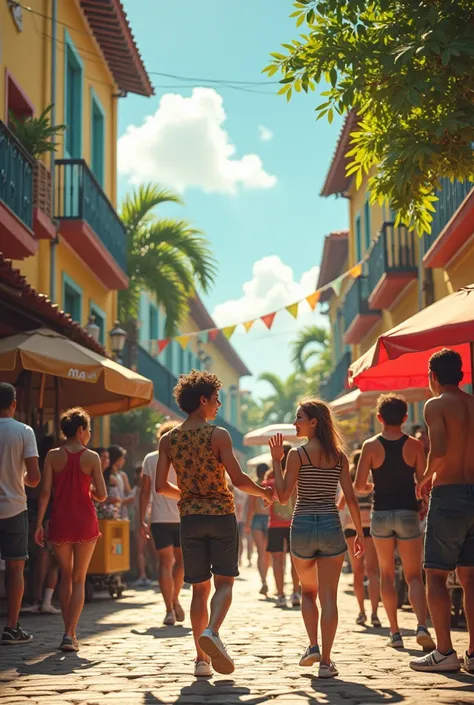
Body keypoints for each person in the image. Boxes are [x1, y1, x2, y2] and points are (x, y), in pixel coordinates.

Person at [155, 370, 273, 678]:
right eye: (216, 399)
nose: (219, 404)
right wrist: (263, 492)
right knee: (225, 583)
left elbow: (160, 486)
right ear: (203, 399)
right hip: (221, 515)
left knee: (198, 590)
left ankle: (201, 661)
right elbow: (238, 479)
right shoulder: (218, 435)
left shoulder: (169, 439)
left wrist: (191, 496)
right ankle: (213, 631)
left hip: (190, 518)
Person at [269, 398, 365, 679]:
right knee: (329, 596)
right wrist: (359, 533)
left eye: (299, 417)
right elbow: (350, 498)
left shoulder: (297, 455)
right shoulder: (339, 457)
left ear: (314, 422)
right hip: (331, 526)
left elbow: (284, 496)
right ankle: (326, 661)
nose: (294, 422)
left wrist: (277, 462)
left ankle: (312, 645)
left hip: (301, 526)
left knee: (308, 592)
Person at [410, 349, 474, 673]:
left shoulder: (435, 404)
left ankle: (445, 651)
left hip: (448, 493)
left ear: (433, 376)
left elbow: (439, 449)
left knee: (434, 575)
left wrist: (424, 479)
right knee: (471, 576)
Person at [355, 394, 435, 652]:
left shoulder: (369, 446)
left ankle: (395, 631)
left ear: (379, 418)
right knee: (413, 575)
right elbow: (422, 483)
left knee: (386, 574)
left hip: (380, 515)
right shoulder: (414, 445)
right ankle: (422, 626)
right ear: (404, 417)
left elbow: (359, 486)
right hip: (407, 513)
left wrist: (373, 484)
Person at [34, 407, 106, 652]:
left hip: (60, 521)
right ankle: (70, 634)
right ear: (80, 430)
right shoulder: (92, 457)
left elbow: (44, 493)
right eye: (88, 429)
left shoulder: (53, 456)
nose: (89, 434)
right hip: (85, 520)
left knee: (66, 576)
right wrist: (89, 491)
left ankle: (67, 632)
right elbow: (103, 495)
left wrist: (38, 524)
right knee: (79, 578)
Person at [0, 382, 40, 645]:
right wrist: (19, 477)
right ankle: (12, 627)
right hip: (14, 507)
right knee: (16, 568)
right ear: (14, 403)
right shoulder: (24, 431)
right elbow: (35, 478)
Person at [140, 421, 184, 623]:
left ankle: (169, 609)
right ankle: (174, 600)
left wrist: (142, 519)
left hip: (159, 519)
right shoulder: (184, 456)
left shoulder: (150, 458)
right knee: (181, 563)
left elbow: (144, 491)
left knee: (165, 564)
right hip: (183, 517)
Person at [338, 450, 380, 627]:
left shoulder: (351, 485)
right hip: (370, 528)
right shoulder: (372, 484)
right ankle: (375, 613)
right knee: (372, 571)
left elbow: (339, 505)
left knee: (358, 571)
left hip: (351, 529)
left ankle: (361, 611)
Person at [23, 435, 60, 615]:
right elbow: (46, 494)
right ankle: (44, 600)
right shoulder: (53, 465)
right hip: (49, 516)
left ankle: (39, 599)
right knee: (49, 560)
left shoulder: (38, 466)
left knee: (42, 559)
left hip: (40, 515)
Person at [264, 456, 301, 609]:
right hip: (294, 523)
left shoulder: (269, 483)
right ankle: (295, 592)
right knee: (296, 560)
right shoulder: (296, 481)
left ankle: (280, 595)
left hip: (275, 525)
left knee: (278, 561)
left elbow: (265, 503)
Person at [245, 463, 270, 596]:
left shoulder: (255, 486)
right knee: (269, 553)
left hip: (257, 520)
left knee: (261, 552)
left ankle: (264, 580)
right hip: (270, 519)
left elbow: (251, 507)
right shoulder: (271, 484)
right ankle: (268, 578)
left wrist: (247, 524)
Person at [107, 445, 134, 520]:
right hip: (109, 511)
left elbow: (129, 493)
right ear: (117, 459)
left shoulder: (122, 475)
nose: (124, 460)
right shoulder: (106, 475)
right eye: (122, 458)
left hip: (122, 512)